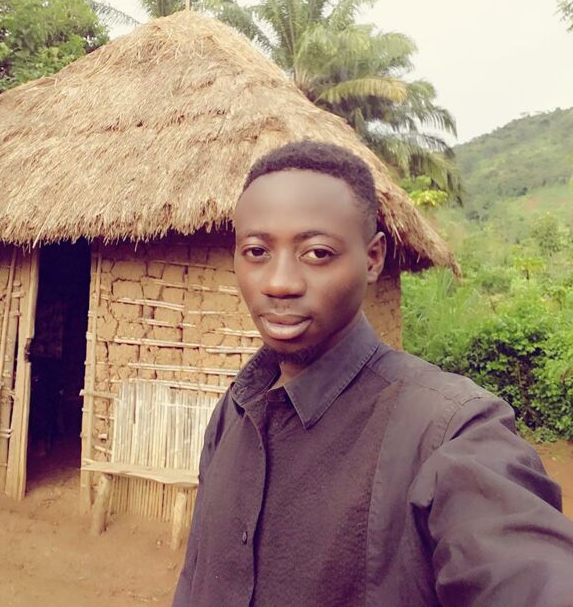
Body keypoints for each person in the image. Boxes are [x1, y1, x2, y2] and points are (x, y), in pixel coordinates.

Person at [173, 140, 573, 606]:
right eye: (257, 251)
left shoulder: (450, 432)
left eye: (317, 253)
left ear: (373, 258)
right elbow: (195, 577)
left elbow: (529, 571)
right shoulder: (234, 411)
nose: (279, 283)